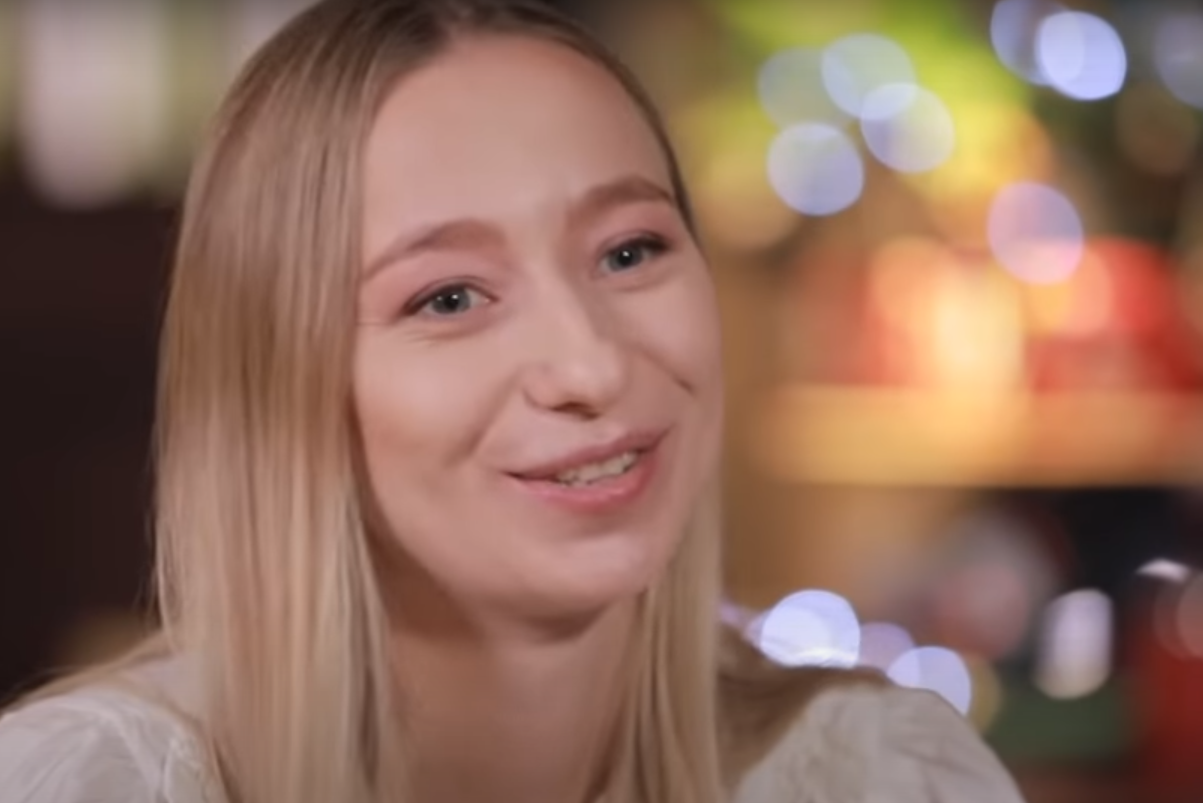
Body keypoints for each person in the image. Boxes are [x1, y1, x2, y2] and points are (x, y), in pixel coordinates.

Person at [0, 1, 1028, 801]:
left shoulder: (884, 773)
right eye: (448, 297)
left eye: (629, 251)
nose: (590, 366)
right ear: (280, 383)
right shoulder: (86, 784)